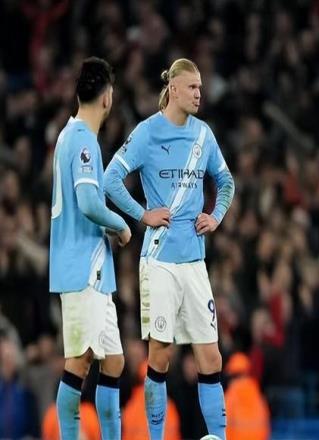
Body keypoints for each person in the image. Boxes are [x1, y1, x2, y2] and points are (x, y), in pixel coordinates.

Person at [104, 57, 235, 439]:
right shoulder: (148, 133)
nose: (199, 94)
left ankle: (219, 437)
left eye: (200, 88)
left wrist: (216, 215)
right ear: (173, 89)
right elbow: (111, 179)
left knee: (211, 356)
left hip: (194, 260)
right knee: (160, 355)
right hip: (159, 261)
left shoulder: (203, 135)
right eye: (192, 87)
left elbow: (226, 181)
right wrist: (141, 214)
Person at [49, 57, 131, 440]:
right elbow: (87, 202)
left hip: (90, 270)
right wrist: (120, 224)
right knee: (80, 362)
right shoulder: (83, 140)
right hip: (83, 267)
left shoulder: (67, 135)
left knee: (113, 361)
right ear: (107, 97)